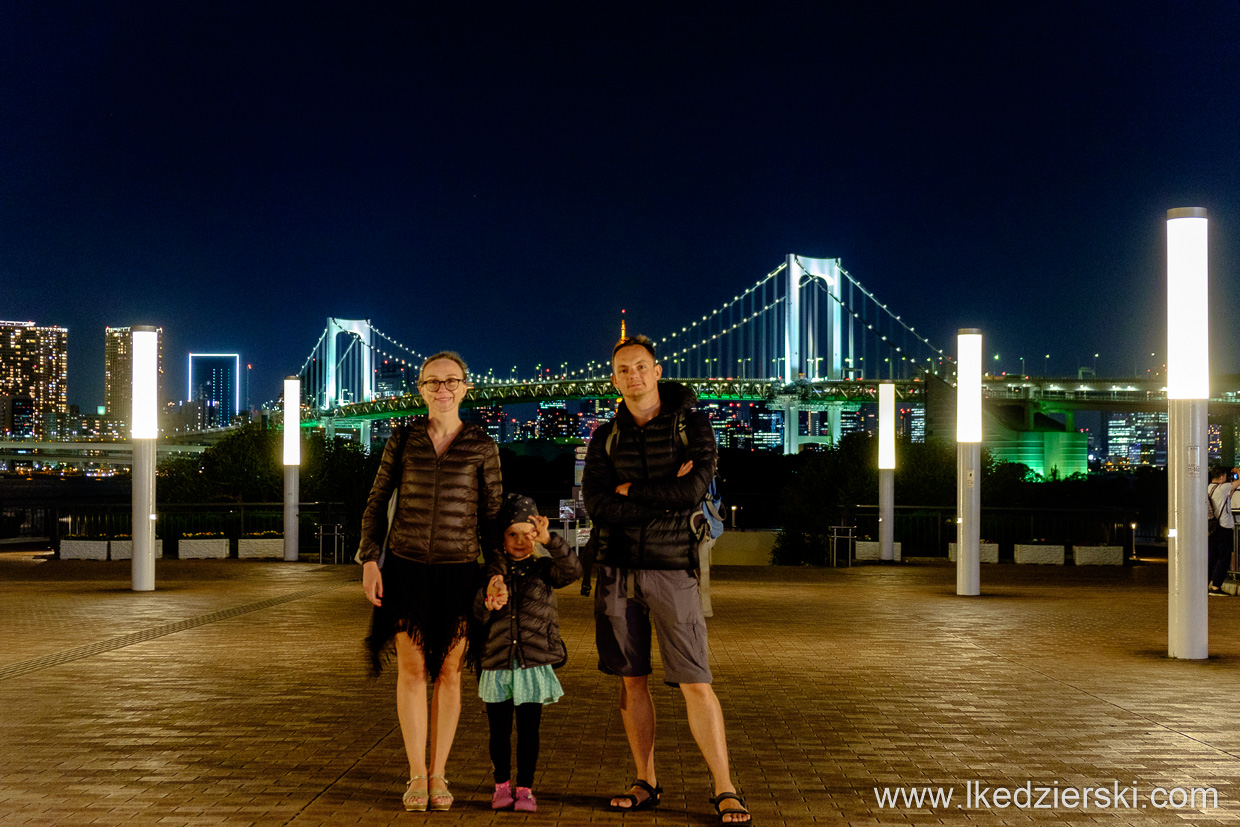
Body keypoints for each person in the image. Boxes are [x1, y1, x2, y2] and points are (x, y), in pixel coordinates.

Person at [582, 335, 752, 825]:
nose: (632, 375)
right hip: (615, 569)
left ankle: (725, 788)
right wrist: (662, 496)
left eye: (640, 367)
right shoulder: (604, 435)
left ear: (657, 371)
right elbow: (596, 503)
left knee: (696, 681)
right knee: (631, 682)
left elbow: (693, 489)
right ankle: (645, 781)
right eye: (622, 370)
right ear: (613, 380)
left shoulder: (692, 423)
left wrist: (630, 490)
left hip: (674, 567)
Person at [357, 351, 503, 812]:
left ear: (466, 387)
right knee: (413, 671)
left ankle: (440, 772)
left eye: (452, 381)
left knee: (450, 674)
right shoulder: (402, 440)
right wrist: (369, 558)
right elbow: (377, 500)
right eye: (432, 382)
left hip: (460, 571)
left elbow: (494, 516)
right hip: (406, 568)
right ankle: (416, 775)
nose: (442, 389)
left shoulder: (483, 445)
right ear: (419, 389)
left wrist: (497, 571)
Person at [474, 494, 581, 812]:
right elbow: (474, 615)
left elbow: (572, 570)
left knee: (530, 731)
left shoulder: (544, 569)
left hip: (533, 663)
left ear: (536, 537)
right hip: (497, 663)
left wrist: (551, 540)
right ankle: (501, 786)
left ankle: (526, 789)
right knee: (499, 731)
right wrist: (486, 601)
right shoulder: (489, 573)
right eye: (512, 533)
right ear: (502, 536)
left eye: (527, 533)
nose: (520, 541)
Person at [1207, 466, 1240, 595]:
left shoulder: (1209, 488)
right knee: (1225, 557)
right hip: (1224, 527)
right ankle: (1216, 586)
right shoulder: (1223, 487)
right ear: (1221, 477)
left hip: (1212, 528)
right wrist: (1238, 472)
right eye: (1225, 477)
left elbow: (1227, 499)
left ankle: (1205, 584)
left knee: (1212, 557)